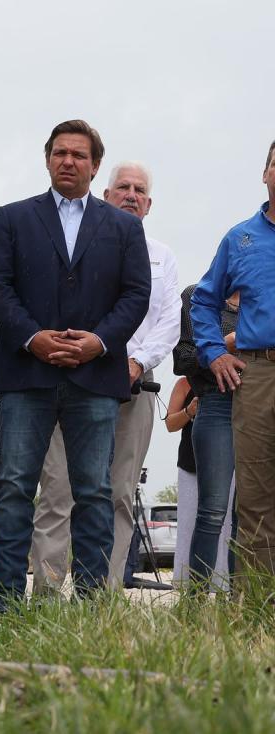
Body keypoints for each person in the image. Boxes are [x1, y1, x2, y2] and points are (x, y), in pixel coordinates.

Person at [0, 120, 151, 611]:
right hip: (25, 373)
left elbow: (136, 294)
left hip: (95, 377)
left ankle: (92, 606)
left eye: (79, 155)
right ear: (47, 159)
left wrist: (99, 342)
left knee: (94, 491)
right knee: (14, 488)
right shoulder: (12, 217)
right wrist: (33, 337)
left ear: (95, 166)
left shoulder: (122, 227)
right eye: (59, 153)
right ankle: (8, 606)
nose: (68, 161)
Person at [30, 162, 181, 592]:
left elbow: (170, 321)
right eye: (122, 187)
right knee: (59, 490)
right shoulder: (79, 242)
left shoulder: (162, 257)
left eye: (140, 190)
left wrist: (134, 363)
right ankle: (45, 595)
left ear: (149, 204)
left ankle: (103, 597)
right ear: (105, 194)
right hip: (69, 376)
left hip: (135, 384)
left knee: (117, 494)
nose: (131, 194)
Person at [190, 139, 275, 578]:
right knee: (256, 499)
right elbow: (202, 301)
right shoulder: (240, 239)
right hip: (257, 374)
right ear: (265, 174)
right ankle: (259, 611)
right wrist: (212, 353)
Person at [174, 285, 239, 589]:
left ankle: (244, 602)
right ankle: (196, 603)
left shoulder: (266, 297)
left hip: (262, 404)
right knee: (213, 510)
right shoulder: (198, 295)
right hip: (217, 403)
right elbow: (183, 359)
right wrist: (221, 347)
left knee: (252, 514)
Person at [166, 376, 235, 587]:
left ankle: (223, 583)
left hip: (228, 462)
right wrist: (189, 411)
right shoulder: (183, 385)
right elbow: (170, 424)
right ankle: (187, 581)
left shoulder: (232, 381)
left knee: (227, 524)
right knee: (189, 522)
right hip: (191, 463)